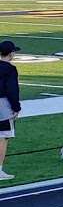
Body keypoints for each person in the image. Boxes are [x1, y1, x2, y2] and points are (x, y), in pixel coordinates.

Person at [0, 40, 21, 180]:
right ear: (11, 53)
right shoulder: (10, 69)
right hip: (2, 105)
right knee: (2, 138)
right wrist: (16, 107)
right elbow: (12, 89)